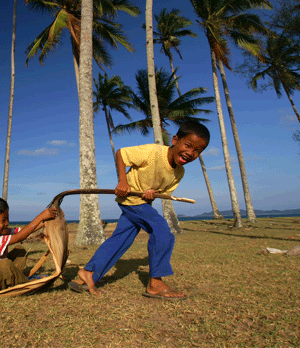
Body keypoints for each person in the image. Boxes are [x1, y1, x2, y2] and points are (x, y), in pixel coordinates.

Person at [72, 121, 210, 300]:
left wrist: (153, 193)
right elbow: (122, 153)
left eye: (197, 151)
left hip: (142, 202)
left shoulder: (179, 173)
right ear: (175, 140)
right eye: (188, 145)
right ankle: (155, 283)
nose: (191, 153)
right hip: (131, 200)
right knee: (162, 231)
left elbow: (161, 193)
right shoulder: (153, 152)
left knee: (121, 240)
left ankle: (89, 273)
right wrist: (123, 181)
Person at [0, 196, 57, 296]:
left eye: (7, 218)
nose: (7, 223)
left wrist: (47, 220)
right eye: (3, 220)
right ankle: (28, 284)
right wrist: (40, 217)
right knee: (5, 265)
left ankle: (16, 279)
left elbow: (26, 231)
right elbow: (19, 237)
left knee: (19, 251)